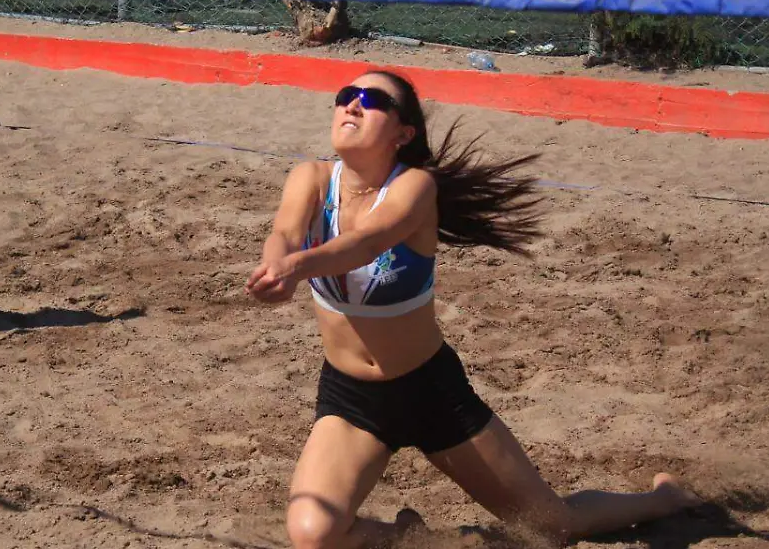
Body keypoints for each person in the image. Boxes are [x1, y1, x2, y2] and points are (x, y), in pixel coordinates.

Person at [245, 70, 702, 548]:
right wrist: (275, 265)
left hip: (430, 392)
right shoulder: (312, 178)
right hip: (352, 399)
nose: (353, 105)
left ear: (404, 133)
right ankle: (408, 536)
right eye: (346, 95)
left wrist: (297, 266)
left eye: (373, 99)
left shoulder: (415, 187)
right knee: (313, 535)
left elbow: (366, 243)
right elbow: (284, 233)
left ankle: (663, 499)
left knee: (553, 527)